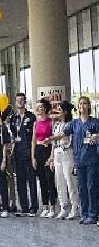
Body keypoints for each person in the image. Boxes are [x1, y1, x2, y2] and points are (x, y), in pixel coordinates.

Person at [49, 96, 99, 225]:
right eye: (80, 103)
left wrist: (96, 135)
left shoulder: (94, 122)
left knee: (91, 186)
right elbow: (63, 134)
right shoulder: (74, 124)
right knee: (82, 188)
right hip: (79, 160)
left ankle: (93, 214)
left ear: (88, 106)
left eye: (85, 103)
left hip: (92, 159)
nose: (82, 105)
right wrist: (51, 139)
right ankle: (84, 213)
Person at [9, 92, 39, 216]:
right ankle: (24, 207)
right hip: (17, 153)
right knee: (20, 181)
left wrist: (33, 155)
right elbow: (12, 135)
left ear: (25, 101)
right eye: (18, 100)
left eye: (22, 100)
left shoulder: (31, 116)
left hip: (28, 152)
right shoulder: (13, 118)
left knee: (31, 180)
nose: (20, 102)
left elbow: (34, 136)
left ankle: (33, 207)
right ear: (15, 103)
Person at [49, 100, 78, 220]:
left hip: (67, 153)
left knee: (70, 182)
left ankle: (74, 207)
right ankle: (63, 207)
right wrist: (51, 157)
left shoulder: (71, 124)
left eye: (60, 110)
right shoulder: (56, 125)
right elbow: (54, 143)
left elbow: (65, 137)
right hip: (57, 154)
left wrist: (51, 138)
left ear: (65, 112)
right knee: (59, 182)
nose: (58, 112)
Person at [31, 98, 57, 218]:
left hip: (48, 150)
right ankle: (45, 206)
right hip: (38, 151)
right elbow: (33, 141)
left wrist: (51, 156)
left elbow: (53, 141)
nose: (38, 109)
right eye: (37, 107)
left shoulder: (51, 122)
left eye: (40, 106)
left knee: (49, 179)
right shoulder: (35, 123)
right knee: (41, 180)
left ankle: (52, 206)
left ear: (45, 108)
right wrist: (33, 157)